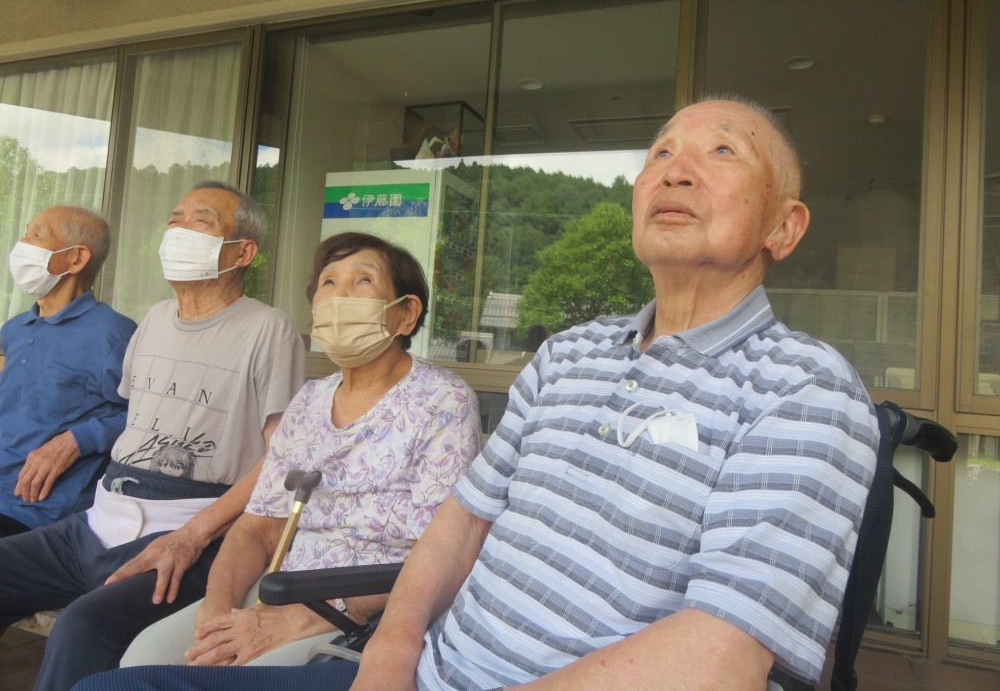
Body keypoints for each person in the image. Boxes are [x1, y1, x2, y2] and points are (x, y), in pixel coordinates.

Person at [70, 96, 881, 691]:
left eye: (722, 152)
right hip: (422, 665)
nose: (675, 167)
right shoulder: (570, 354)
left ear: (785, 227)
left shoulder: (804, 389)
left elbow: (722, 653)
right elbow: (462, 524)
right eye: (661, 151)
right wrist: (391, 652)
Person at [118, 231, 481, 668]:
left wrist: (300, 619)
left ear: (405, 313)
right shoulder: (308, 400)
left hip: (362, 612)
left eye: (362, 281)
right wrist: (217, 607)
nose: (338, 296)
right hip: (275, 592)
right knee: (142, 660)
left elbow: (436, 551)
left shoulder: (443, 401)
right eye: (328, 283)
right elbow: (257, 529)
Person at [0, 181, 305, 691]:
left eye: (200, 220)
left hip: (182, 523)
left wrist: (193, 536)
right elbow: (130, 419)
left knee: (83, 629)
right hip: (100, 518)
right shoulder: (156, 320)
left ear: (242, 251)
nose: (177, 229)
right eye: (173, 218)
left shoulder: (268, 330)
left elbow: (283, 459)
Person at [0, 206, 136, 537]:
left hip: (33, 512)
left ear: (76, 259)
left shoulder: (114, 334)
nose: (23, 242)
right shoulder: (15, 328)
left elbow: (149, 420)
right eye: (27, 231)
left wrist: (77, 439)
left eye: (37, 234)